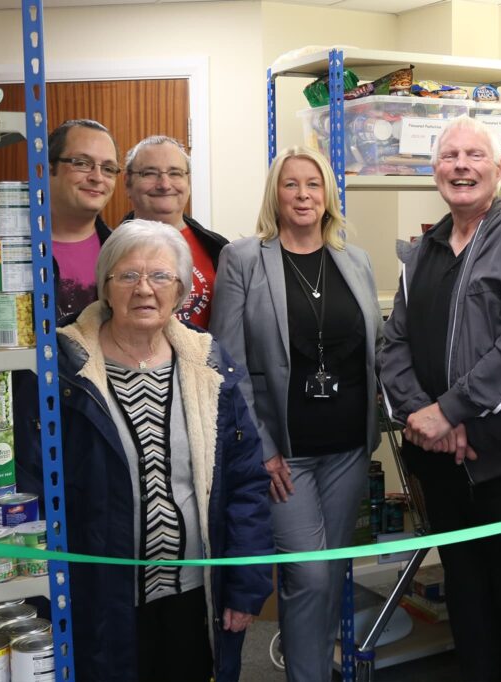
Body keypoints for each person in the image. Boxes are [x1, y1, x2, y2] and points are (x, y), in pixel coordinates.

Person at [14, 220, 273, 682]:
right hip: (99, 598)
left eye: (161, 277)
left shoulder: (210, 364)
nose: (144, 289)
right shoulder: (61, 370)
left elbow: (246, 483)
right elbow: (32, 482)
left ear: (179, 291)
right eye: (128, 276)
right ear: (105, 287)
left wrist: (245, 584)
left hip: (195, 592)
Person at [379, 115, 501, 682]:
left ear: (500, 168)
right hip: (441, 466)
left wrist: (450, 410)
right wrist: (423, 416)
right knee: (468, 605)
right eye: (450, 156)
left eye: (475, 155)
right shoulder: (423, 251)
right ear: (434, 171)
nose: (462, 166)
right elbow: (393, 343)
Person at [210, 146, 382, 682]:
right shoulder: (244, 258)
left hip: (349, 448)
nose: (303, 195)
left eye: (313, 184)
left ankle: (310, 669)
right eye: (291, 185)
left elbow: (371, 350)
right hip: (285, 454)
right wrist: (259, 448)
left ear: (328, 194)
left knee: (328, 574)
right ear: (275, 195)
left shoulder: (354, 260)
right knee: (307, 574)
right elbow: (225, 360)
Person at [123, 135, 228, 328]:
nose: (164, 184)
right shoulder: (109, 250)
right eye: (150, 173)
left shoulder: (219, 250)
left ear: (188, 181)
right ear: (128, 183)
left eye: (175, 173)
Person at [48, 119, 119, 319]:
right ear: (47, 169)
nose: (97, 177)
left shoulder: (123, 254)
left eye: (108, 168)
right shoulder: (10, 250)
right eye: (81, 163)